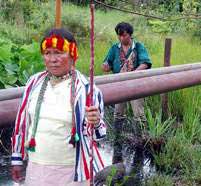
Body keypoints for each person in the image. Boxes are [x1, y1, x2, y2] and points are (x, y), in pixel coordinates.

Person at [11, 28, 106, 186]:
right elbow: (21, 122)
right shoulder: (34, 82)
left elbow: (99, 135)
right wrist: (17, 158)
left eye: (59, 52)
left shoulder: (87, 89)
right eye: (47, 53)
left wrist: (95, 122)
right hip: (36, 168)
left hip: (72, 172)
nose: (52, 59)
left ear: (72, 54)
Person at [101, 22, 152, 164]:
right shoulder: (114, 48)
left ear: (130, 34)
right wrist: (105, 66)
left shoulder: (138, 47)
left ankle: (140, 140)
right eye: (119, 35)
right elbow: (107, 63)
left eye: (123, 35)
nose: (121, 37)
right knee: (118, 112)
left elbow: (145, 63)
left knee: (138, 114)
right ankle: (118, 139)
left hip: (136, 84)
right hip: (120, 85)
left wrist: (134, 73)